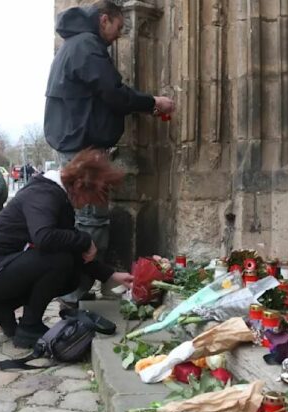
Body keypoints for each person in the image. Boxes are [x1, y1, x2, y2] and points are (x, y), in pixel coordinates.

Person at [44, 0, 175, 305]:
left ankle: (79, 288)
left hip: (76, 141)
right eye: (118, 27)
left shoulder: (76, 44)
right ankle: (75, 294)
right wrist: (153, 102)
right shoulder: (87, 46)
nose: (119, 35)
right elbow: (113, 93)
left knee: (85, 220)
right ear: (104, 20)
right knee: (92, 221)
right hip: (83, 146)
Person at [0, 149, 134, 348]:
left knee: (70, 274)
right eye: (90, 198)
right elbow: (44, 237)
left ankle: (1, 309)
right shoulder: (43, 194)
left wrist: (111, 275)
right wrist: (85, 239)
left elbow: (72, 251)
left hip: (0, 269)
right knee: (59, 261)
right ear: (79, 185)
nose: (88, 204)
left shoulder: (57, 196)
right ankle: (30, 328)